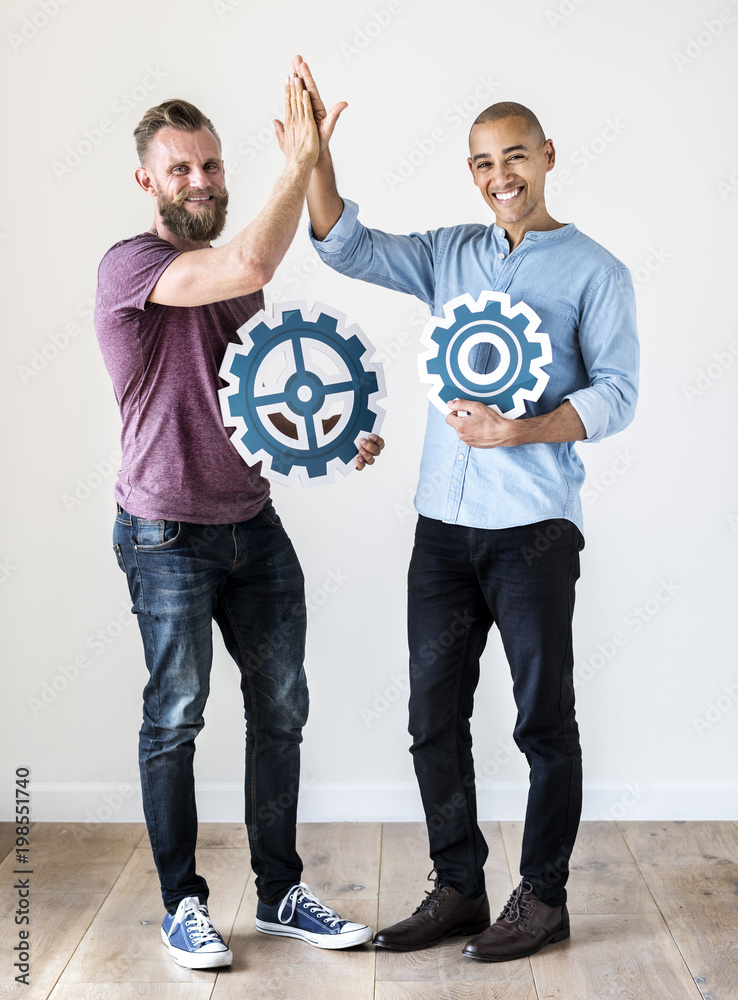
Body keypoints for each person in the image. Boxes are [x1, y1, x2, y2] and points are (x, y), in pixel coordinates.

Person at [297, 55, 639, 962]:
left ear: (550, 155)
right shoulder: (448, 253)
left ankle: (543, 897)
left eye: (516, 156)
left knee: (541, 721)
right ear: (472, 175)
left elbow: (619, 393)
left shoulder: (596, 271)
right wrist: (315, 161)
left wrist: (518, 433)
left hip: (532, 534)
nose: (502, 177)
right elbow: (345, 244)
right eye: (485, 163)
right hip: (442, 533)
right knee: (431, 719)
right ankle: (458, 888)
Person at [95, 73, 383, 971]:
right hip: (166, 533)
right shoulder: (132, 269)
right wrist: (304, 163)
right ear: (147, 182)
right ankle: (182, 907)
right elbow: (253, 261)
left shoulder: (235, 287)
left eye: (213, 164)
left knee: (283, 710)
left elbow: (251, 409)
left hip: (251, 526)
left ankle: (280, 893)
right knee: (175, 718)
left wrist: (330, 434)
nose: (202, 180)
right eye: (181, 168)